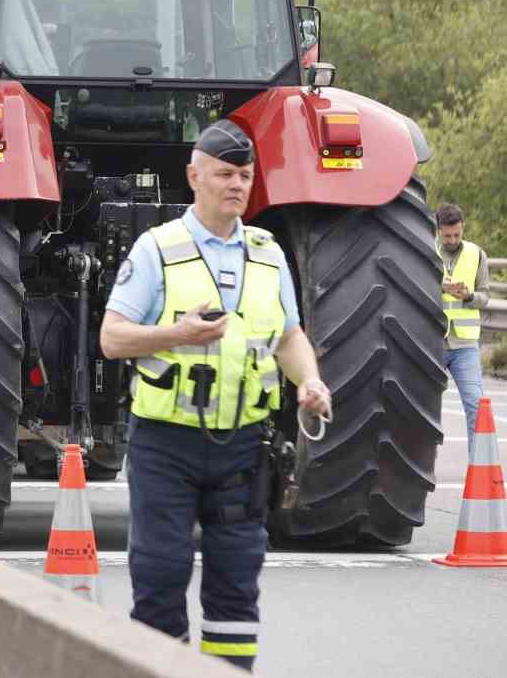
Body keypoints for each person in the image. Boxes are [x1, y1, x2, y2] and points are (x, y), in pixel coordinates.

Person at [100, 120, 331, 672]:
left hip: (243, 448)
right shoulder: (158, 250)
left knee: (236, 587)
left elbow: (289, 335)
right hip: (165, 447)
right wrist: (177, 334)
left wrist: (310, 382)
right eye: (225, 174)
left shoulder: (269, 255)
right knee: (159, 578)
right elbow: (111, 339)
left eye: (245, 176)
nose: (237, 185)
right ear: (194, 175)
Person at [437, 203, 490, 448]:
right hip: (432, 343)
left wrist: (468, 297)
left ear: (462, 228)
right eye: (447, 235)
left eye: (456, 234)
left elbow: (485, 296)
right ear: (438, 231)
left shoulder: (476, 254)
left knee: (476, 406)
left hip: (465, 345)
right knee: (420, 409)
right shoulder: (423, 252)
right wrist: (440, 287)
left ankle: (478, 465)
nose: (452, 239)